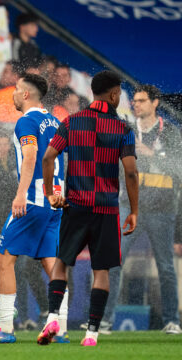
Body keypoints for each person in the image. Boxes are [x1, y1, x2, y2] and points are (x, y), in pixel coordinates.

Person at [37, 70, 139, 348]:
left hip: (75, 205)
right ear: (114, 95)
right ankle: (92, 333)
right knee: (101, 271)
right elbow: (131, 172)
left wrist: (51, 194)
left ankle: (53, 317)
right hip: (106, 209)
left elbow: (48, 157)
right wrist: (134, 210)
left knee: (61, 263)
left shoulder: (71, 122)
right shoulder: (123, 129)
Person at [0, 73, 69, 344]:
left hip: (33, 200)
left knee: (4, 260)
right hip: (55, 199)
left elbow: (30, 156)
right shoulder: (55, 121)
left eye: (16, 89)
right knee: (51, 263)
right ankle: (60, 328)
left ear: (26, 94)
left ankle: (5, 329)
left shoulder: (26, 122)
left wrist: (20, 195)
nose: (13, 94)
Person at [103, 85, 182, 334]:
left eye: (141, 101)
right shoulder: (126, 131)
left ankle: (172, 320)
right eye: (134, 101)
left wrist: (148, 154)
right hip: (129, 206)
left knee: (166, 267)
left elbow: (178, 168)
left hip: (162, 208)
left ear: (155, 103)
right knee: (114, 262)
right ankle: (104, 320)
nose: (135, 104)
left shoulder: (170, 132)